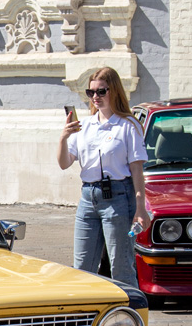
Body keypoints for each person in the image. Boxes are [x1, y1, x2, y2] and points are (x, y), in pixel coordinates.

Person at [58, 67, 149, 287]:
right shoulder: (84, 126)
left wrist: (140, 207)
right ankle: (83, 319)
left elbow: (137, 169)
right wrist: (63, 137)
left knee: (121, 267)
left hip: (118, 196)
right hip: (88, 197)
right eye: (91, 93)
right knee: (82, 267)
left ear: (114, 91)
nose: (95, 97)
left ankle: (129, 317)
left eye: (101, 91)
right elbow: (64, 163)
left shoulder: (128, 126)